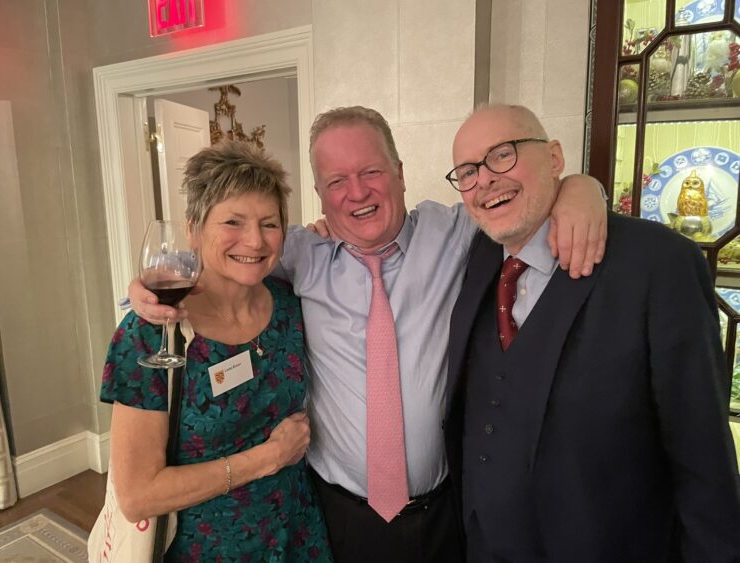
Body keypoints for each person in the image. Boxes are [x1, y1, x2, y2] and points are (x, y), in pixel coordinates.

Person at [129, 106, 608, 563]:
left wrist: (581, 188)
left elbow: (513, 203)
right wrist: (143, 292)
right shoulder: (296, 253)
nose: (356, 193)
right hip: (337, 517)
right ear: (320, 194)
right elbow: (222, 263)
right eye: (337, 181)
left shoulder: (453, 233)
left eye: (371, 172)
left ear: (399, 171)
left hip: (443, 513)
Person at [444, 104, 740, 562]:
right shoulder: (475, 254)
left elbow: (703, 458)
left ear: (556, 158)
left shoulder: (658, 264)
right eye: (467, 170)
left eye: (503, 155)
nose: (484, 179)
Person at [101, 140, 332, 562]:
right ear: (193, 228)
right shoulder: (154, 331)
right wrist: (267, 459)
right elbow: (137, 494)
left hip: (298, 534)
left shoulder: (291, 304)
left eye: (269, 223)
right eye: (233, 221)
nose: (254, 240)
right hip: (206, 548)